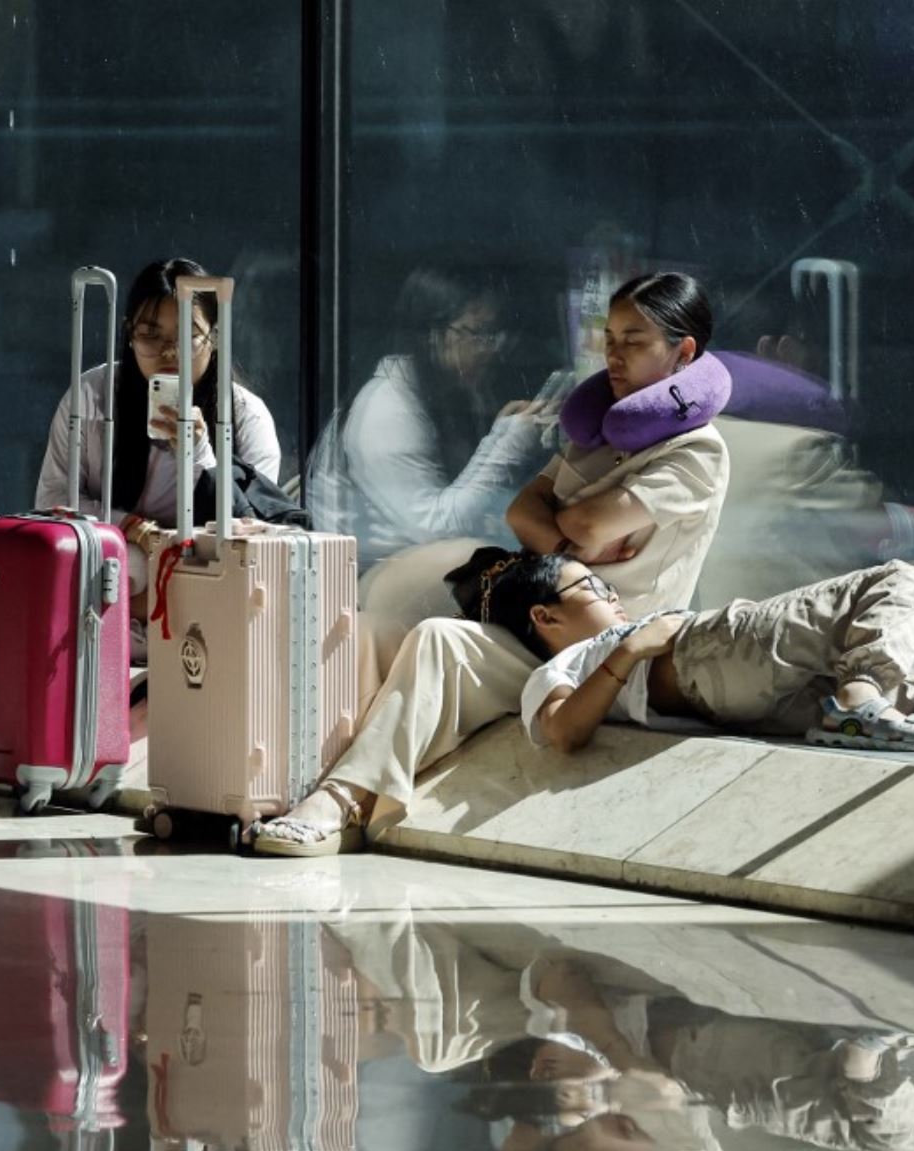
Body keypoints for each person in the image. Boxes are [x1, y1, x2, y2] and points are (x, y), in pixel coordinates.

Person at [253, 272, 731, 857]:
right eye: (608, 338)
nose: (613, 354)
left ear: (683, 352)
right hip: (542, 621)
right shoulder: (598, 437)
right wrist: (568, 550)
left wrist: (568, 530)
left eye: (634, 341)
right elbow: (522, 511)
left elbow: (579, 522)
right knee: (376, 627)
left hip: (604, 637)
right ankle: (300, 781)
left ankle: (342, 799)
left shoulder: (697, 452)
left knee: (438, 640)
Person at [489, 551, 914, 756]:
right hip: (701, 654)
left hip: (744, 697)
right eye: (591, 587)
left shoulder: (597, 646)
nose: (612, 595)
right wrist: (633, 647)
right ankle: (861, 699)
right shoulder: (559, 665)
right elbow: (563, 732)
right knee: (900, 581)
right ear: (545, 616)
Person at [34, 257, 281, 654]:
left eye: (188, 334)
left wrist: (200, 453)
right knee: (112, 561)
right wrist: (132, 528)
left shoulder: (244, 417)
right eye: (150, 335)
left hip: (201, 613)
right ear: (129, 336)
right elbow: (52, 504)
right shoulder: (94, 396)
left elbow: (247, 535)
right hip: (104, 595)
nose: (169, 352)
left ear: (214, 338)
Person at [308, 264, 558, 566]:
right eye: (479, 333)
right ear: (432, 334)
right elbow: (435, 532)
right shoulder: (387, 409)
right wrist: (509, 443)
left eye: (496, 335)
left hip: (409, 566)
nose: (492, 349)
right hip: (363, 579)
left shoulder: (448, 392)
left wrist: (501, 435)